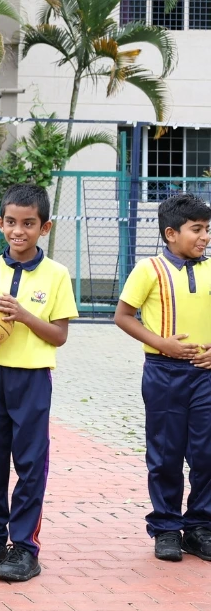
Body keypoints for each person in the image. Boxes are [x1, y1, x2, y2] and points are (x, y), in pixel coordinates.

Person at [0, 183, 77, 582]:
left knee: (29, 463)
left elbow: (59, 334)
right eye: (11, 222)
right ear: (0, 223)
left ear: (44, 227)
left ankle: (25, 547)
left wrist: (25, 316)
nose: (18, 231)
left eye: (28, 224)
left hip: (33, 379)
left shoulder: (57, 274)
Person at [115, 191, 211, 563]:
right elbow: (123, 316)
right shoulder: (148, 270)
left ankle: (200, 526)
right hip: (164, 372)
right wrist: (161, 344)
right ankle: (167, 527)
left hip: (204, 375)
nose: (204, 237)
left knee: (205, 454)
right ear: (171, 233)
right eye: (197, 230)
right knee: (166, 455)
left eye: (207, 230)